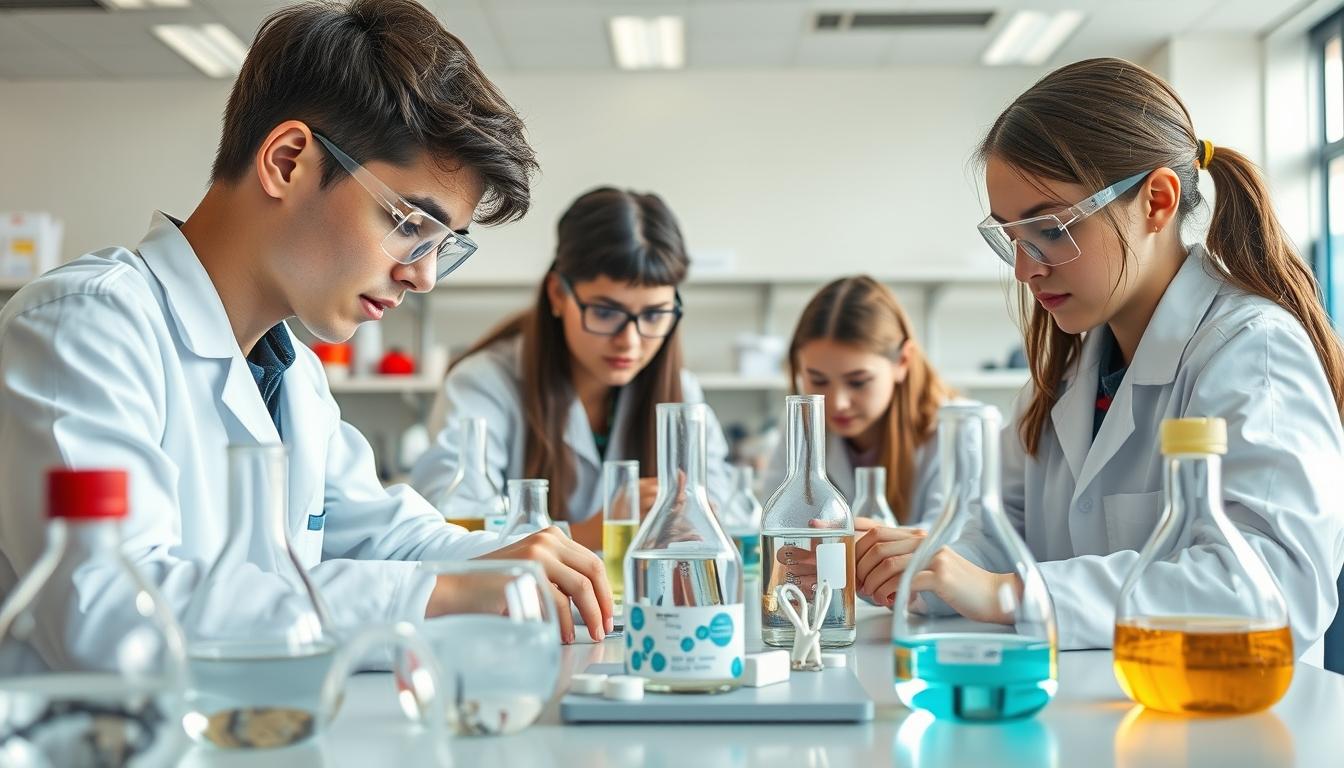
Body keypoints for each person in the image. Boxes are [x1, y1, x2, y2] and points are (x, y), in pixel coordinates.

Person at [0, 0, 614, 664]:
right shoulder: (84, 325)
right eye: (411, 225)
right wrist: (445, 588)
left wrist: (517, 559)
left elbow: (384, 540)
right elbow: (113, 614)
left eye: (444, 246)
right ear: (288, 161)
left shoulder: (291, 375)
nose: (424, 277)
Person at [855, 58, 1344, 659]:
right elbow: (998, 537)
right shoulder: (1066, 374)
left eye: (1051, 230)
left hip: (1229, 709)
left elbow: (1274, 586)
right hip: (1099, 702)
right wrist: (915, 565)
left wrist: (1011, 595)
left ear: (1156, 202)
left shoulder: (1250, 350)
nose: (1025, 269)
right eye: (1012, 237)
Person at [410, 187, 735, 549]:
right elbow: (448, 537)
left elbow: (724, 518)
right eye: (606, 312)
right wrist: (597, 532)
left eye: (655, 315)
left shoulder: (681, 393)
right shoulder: (482, 384)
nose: (629, 341)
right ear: (558, 295)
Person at [762, 276, 952, 526]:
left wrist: (864, 540)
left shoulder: (953, 431)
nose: (838, 403)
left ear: (902, 362)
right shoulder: (801, 429)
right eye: (818, 380)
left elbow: (959, 538)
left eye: (858, 381)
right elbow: (780, 523)